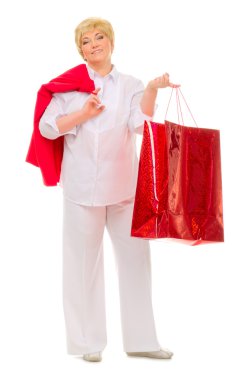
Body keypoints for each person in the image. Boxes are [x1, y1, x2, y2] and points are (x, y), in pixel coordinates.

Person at [39, 17, 179, 362]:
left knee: (135, 263)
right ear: (80, 50)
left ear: (112, 42)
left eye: (99, 37)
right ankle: (87, 343)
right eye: (86, 41)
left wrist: (150, 90)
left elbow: (139, 125)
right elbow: (47, 128)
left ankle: (142, 340)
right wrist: (81, 114)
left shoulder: (129, 84)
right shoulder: (68, 88)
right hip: (81, 190)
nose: (94, 44)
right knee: (82, 265)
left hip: (123, 189)